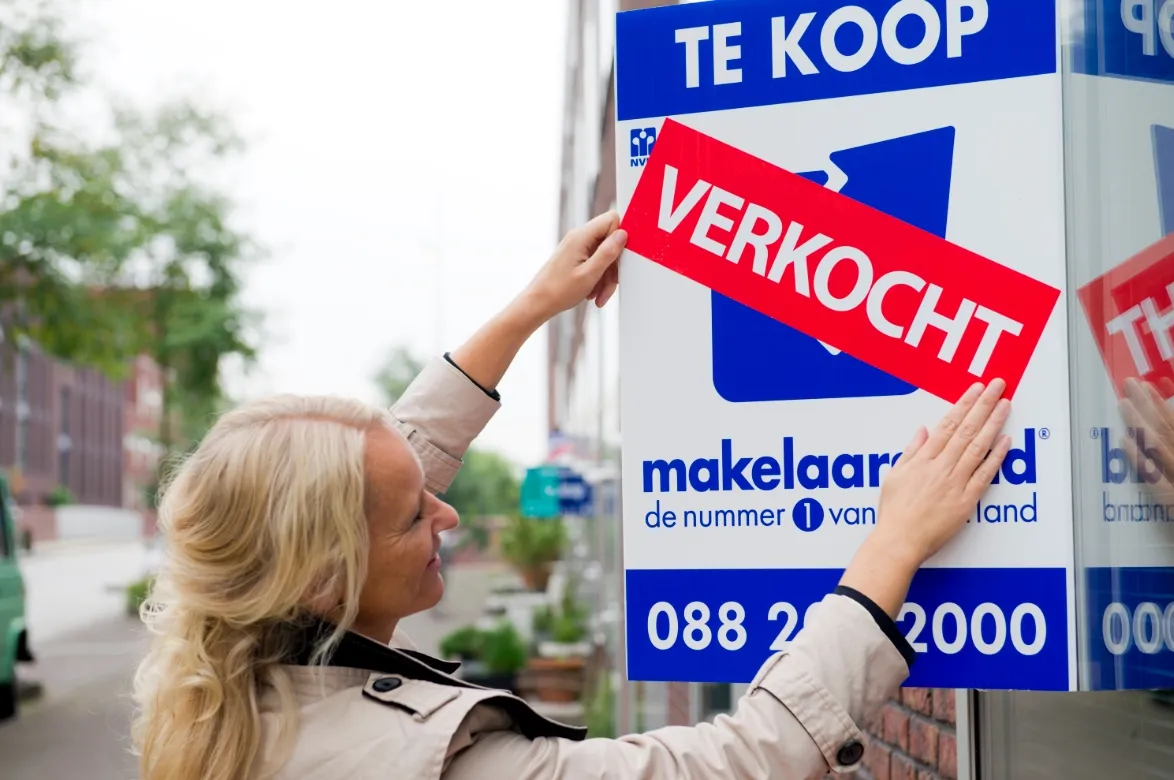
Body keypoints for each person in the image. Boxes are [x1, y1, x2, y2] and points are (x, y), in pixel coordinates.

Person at [130, 211, 1014, 780]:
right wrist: (890, 547)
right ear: (325, 580)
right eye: (416, 515)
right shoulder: (435, 764)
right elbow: (747, 757)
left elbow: (371, 475)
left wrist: (527, 310)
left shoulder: (234, 688)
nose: (450, 512)